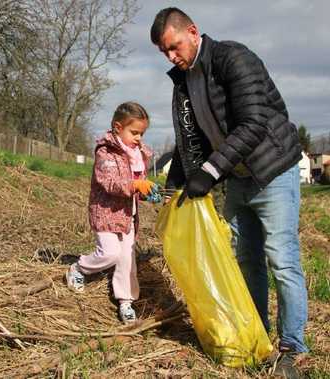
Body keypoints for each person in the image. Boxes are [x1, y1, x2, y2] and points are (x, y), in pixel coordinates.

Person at [150, 7, 307, 378]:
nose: (172, 57)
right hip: (238, 178)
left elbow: (253, 124)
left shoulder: (233, 58)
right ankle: (257, 338)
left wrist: (209, 172)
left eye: (174, 47)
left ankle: (292, 348)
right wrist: (177, 184)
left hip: (273, 172)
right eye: (164, 53)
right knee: (245, 262)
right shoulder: (186, 80)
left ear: (192, 31)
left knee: (281, 260)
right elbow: (195, 138)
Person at [66, 101, 158, 323]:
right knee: (110, 254)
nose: (139, 138)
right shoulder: (106, 152)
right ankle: (79, 268)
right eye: (134, 132)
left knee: (127, 259)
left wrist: (146, 191)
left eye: (142, 134)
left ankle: (126, 300)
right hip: (106, 212)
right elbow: (110, 182)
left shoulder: (139, 154)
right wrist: (135, 185)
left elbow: (137, 184)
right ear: (118, 127)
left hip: (128, 215)